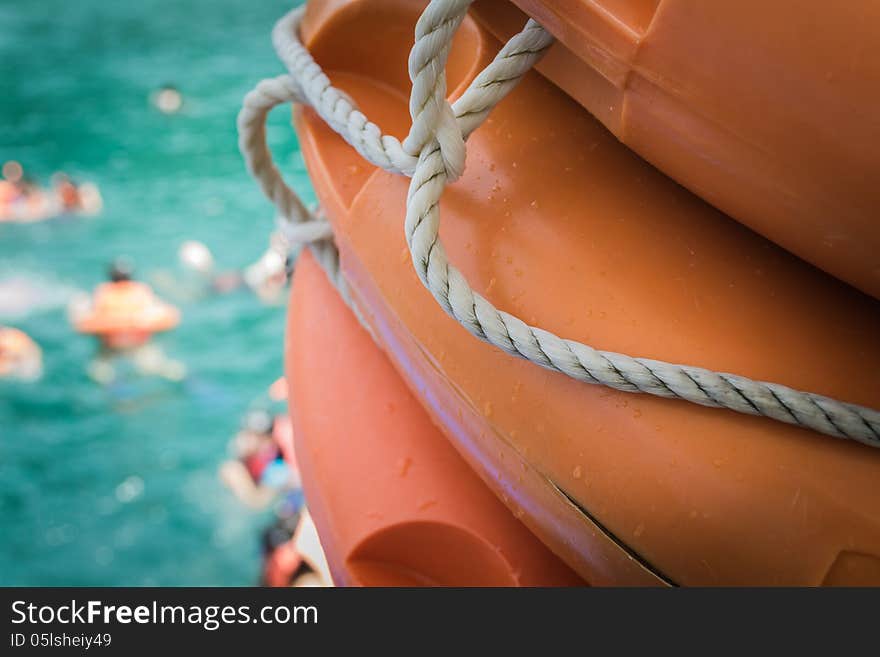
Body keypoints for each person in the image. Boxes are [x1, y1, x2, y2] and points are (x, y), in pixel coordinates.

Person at [74, 259, 185, 384]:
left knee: (101, 375)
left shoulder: (104, 292)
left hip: (113, 347)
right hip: (134, 345)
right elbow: (169, 314)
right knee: (161, 369)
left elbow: (83, 323)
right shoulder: (138, 291)